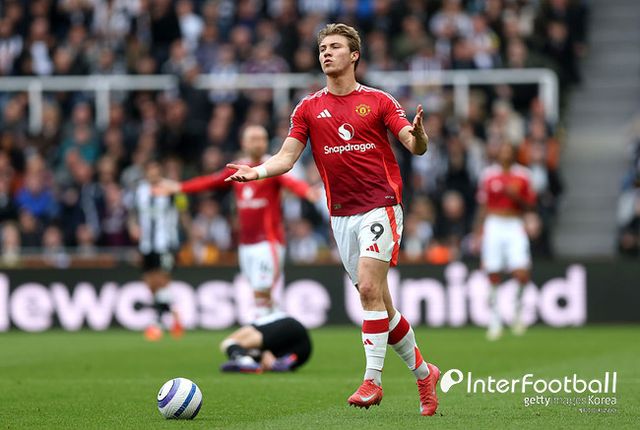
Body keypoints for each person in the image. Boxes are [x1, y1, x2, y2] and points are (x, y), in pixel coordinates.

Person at [224, 23, 439, 416]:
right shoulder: (308, 108)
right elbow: (286, 158)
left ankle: (372, 382)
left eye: (335, 47)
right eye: (322, 47)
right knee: (382, 307)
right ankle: (425, 374)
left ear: (354, 55)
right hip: (341, 216)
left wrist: (421, 136)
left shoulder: (378, 101)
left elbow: (414, 144)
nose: (326, 53)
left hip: (381, 206)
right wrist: (256, 172)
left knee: (368, 289)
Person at [154, 124, 318, 318]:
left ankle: (260, 334)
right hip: (246, 244)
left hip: (269, 242)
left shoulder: (271, 167)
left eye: (262, 139)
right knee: (262, 296)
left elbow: (291, 182)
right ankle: (279, 330)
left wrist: (306, 191)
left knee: (261, 294)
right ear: (243, 143)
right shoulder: (238, 167)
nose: (258, 143)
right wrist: (179, 187)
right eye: (253, 139)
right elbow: (210, 181)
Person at [476, 142, 536, 340]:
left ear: (514, 153)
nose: (505, 154)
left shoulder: (523, 175)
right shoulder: (488, 175)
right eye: (502, 150)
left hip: (514, 223)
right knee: (493, 272)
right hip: (494, 224)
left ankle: (517, 309)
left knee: (521, 272)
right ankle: (495, 320)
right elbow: (483, 205)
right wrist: (478, 231)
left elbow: (531, 204)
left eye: (508, 151)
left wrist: (516, 196)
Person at [128, 159, 184, 341]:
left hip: (165, 242)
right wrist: (132, 226)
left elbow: (182, 210)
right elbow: (133, 213)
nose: (153, 174)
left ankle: (158, 322)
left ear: (160, 172)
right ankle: (173, 312)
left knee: (162, 280)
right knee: (150, 283)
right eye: (150, 171)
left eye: (156, 171)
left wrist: (186, 235)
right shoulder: (140, 191)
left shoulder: (170, 189)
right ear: (146, 173)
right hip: (146, 244)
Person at [219, 312, 312, 373]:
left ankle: (245, 360)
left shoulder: (256, 323)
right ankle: (271, 362)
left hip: (289, 330)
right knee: (237, 345)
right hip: (303, 353)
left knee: (228, 342)